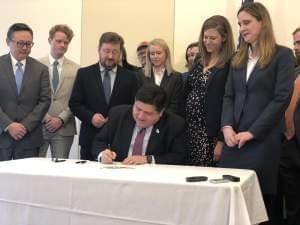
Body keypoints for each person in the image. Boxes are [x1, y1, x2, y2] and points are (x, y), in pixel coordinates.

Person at [219, 3, 294, 225]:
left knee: (258, 203)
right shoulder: (238, 58)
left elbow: (281, 98)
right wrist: (226, 127)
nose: (242, 28)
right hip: (234, 139)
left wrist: (252, 132)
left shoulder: (283, 55)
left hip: (262, 139)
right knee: (230, 197)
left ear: (263, 22)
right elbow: (228, 96)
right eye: (239, 23)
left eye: (247, 22)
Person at [69, 32, 138, 160]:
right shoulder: (84, 74)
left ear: (120, 52)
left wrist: (117, 120)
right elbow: (74, 103)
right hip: (90, 138)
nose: (110, 56)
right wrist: (91, 117)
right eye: (106, 51)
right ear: (99, 50)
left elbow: (133, 107)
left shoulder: (131, 77)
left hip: (119, 140)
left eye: (115, 52)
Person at [92, 84, 186, 165]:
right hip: (119, 172)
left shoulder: (175, 124)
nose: (140, 116)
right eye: (138, 109)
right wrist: (103, 154)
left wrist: (148, 159)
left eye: (147, 113)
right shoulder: (117, 114)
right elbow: (99, 141)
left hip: (155, 176)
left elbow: (179, 156)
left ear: (160, 113)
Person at [185, 15, 235, 166]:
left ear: (224, 38)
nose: (207, 41)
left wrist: (221, 140)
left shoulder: (230, 64)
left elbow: (229, 102)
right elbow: (188, 90)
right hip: (190, 129)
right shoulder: (199, 60)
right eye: (205, 37)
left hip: (210, 133)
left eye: (212, 38)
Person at [0, 23, 51, 161]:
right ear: (8, 42)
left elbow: (45, 100)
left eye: (28, 44)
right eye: (20, 43)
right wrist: (8, 125)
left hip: (29, 139)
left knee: (27, 182)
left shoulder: (41, 69)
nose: (24, 48)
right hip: (2, 136)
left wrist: (25, 126)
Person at [38, 24, 79, 159]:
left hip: (64, 127)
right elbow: (32, 96)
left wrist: (61, 118)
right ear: (50, 41)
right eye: (58, 41)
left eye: (66, 42)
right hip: (38, 125)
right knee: (34, 167)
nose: (62, 45)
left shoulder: (77, 69)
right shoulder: (36, 65)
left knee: (61, 168)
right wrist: (46, 118)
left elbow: (77, 98)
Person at [279, 27, 300, 225]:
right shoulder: (291, 72)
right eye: (294, 43)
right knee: (292, 205)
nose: (296, 48)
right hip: (288, 147)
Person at [143, 38, 183, 115]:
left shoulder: (176, 77)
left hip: (167, 120)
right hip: (145, 118)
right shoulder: (141, 75)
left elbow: (175, 104)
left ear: (166, 54)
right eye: (152, 54)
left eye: (158, 53)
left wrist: (161, 118)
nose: (155, 56)